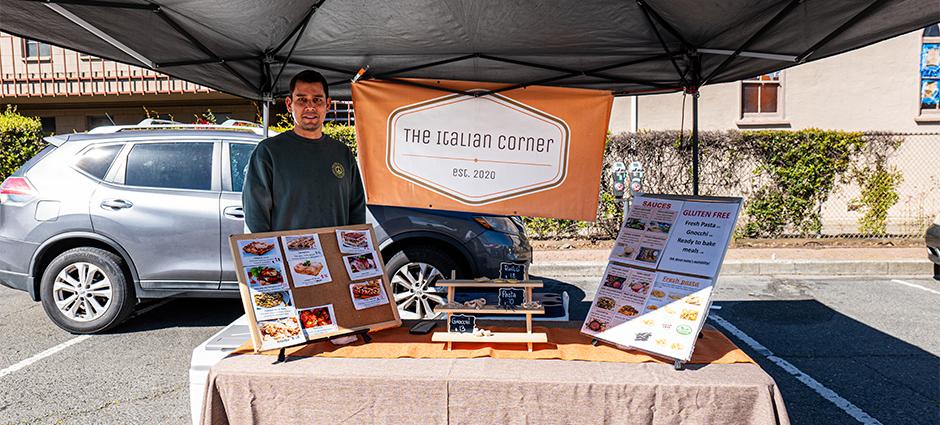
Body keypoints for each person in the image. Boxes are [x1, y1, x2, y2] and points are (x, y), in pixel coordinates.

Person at [242, 70, 366, 233]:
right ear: (289, 104)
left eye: (317, 100)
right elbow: (255, 217)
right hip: (286, 257)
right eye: (301, 100)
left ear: (327, 104)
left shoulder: (342, 153)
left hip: (334, 257)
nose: (310, 107)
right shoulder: (268, 153)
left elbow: (356, 213)